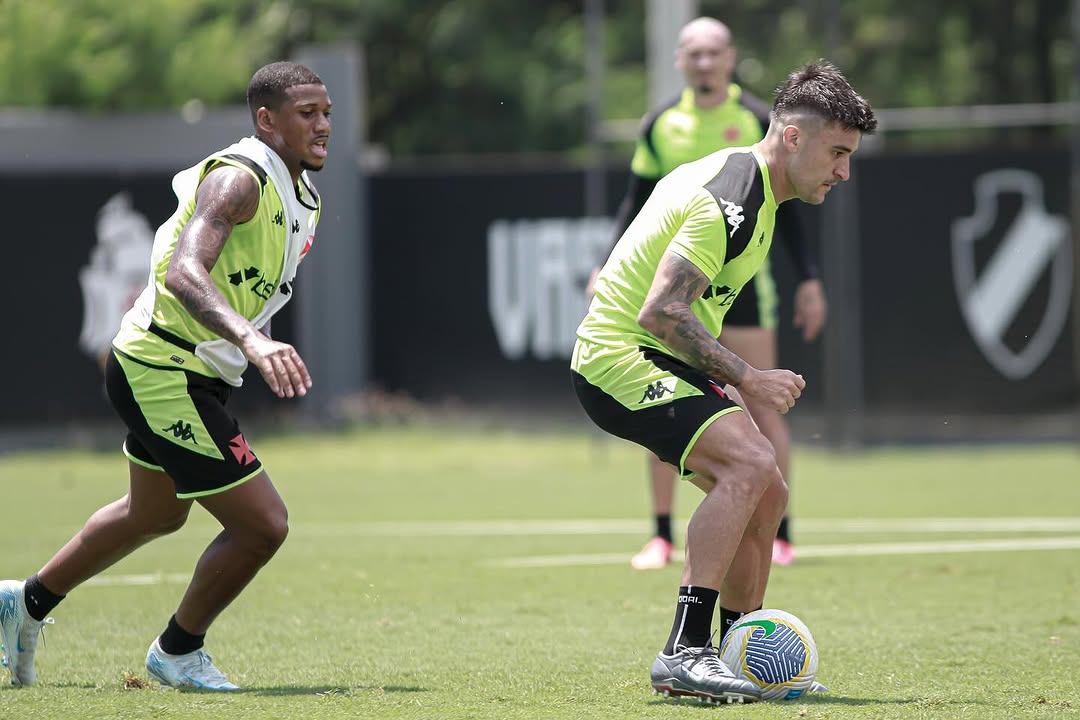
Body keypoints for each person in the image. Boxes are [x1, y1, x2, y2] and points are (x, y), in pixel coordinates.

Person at [0, 60, 332, 691]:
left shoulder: (302, 192)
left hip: (191, 372)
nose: (322, 126)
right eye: (306, 113)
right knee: (264, 525)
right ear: (267, 120)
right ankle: (178, 651)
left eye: (327, 113)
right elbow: (182, 272)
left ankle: (25, 603)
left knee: (152, 514)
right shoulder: (240, 180)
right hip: (163, 368)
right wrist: (251, 339)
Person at [571, 61, 875, 703]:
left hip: (659, 355)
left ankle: (740, 652)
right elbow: (661, 311)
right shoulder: (732, 199)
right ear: (793, 136)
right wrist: (749, 377)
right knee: (748, 463)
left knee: (765, 489)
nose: (844, 171)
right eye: (838, 152)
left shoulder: (760, 191)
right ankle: (685, 652)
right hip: (618, 356)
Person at [590, 17, 826, 571]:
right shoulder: (662, 123)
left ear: (730, 58)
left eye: (712, 53)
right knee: (669, 409)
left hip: (738, 285)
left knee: (763, 411)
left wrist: (809, 277)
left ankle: (781, 531)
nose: (703, 62)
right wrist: (606, 262)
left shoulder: (759, 120)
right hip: (671, 281)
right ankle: (661, 535)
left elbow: (785, 207)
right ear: (679, 60)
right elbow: (636, 201)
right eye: (692, 53)